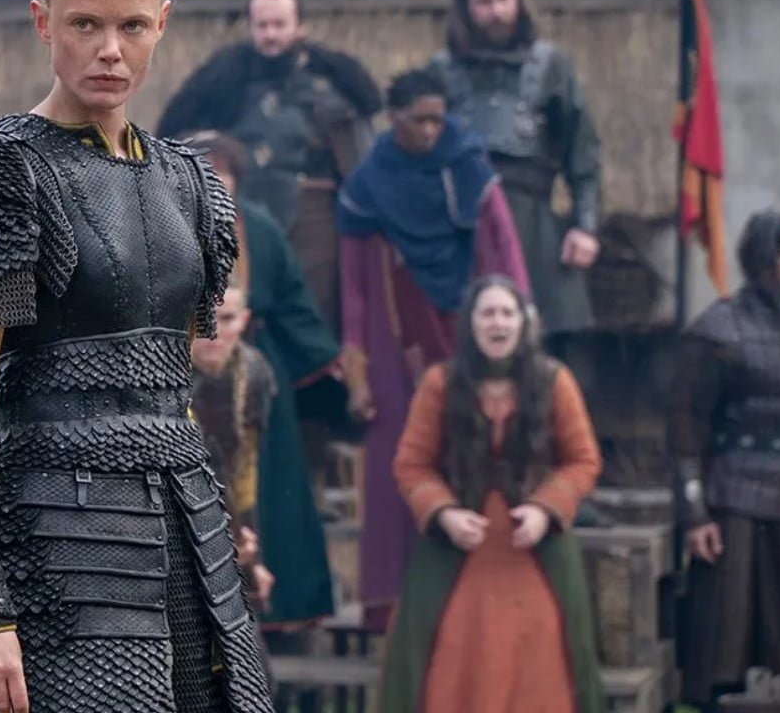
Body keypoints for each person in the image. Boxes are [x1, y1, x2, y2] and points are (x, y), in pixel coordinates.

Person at [0, 0, 273, 713]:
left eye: (131, 26)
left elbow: (168, 398)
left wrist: (223, 540)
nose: (110, 50)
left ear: (162, 24)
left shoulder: (191, 186)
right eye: (85, 25)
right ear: (43, 22)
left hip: (189, 555)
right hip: (51, 562)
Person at [338, 68, 530, 630]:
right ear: (393, 118)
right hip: (396, 335)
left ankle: (481, 602)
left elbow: (505, 252)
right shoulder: (369, 183)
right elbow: (354, 285)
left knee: (479, 449)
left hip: (472, 327)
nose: (428, 130)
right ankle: (400, 608)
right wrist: (358, 366)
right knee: (398, 457)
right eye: (417, 120)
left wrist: (517, 328)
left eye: (436, 120)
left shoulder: (468, 168)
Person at [380, 275, 605, 713]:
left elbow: (583, 460)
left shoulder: (554, 381)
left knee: (542, 658)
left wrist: (544, 509)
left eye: (507, 313)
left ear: (523, 323)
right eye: (487, 313)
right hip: (458, 550)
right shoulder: (440, 384)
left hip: (535, 550)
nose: (497, 323)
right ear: (471, 323)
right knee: (451, 658)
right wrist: (444, 512)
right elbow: (411, 464)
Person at [185, 131, 347, 627]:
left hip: (253, 372)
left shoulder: (259, 228)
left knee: (268, 487)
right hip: (180, 367)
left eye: (223, 177)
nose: (215, 186)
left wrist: (328, 360)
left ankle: (279, 602)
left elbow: (294, 299)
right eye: (204, 176)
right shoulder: (163, 226)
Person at [159, 0, 380, 328]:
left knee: (312, 308)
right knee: (244, 306)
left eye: (279, 25)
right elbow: (175, 131)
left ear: (300, 26)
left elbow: (361, 140)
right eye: (262, 26)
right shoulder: (223, 77)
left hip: (312, 214)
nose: (270, 35)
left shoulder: (330, 76)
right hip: (239, 210)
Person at [429, 0, 601, 340]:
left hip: (533, 219)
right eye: (484, 2)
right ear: (466, 8)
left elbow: (583, 152)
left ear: (519, 1)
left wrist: (585, 226)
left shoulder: (551, 66)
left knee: (550, 334)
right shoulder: (440, 71)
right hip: (461, 224)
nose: (496, 11)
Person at [674, 207, 780, 707]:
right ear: (761, 258)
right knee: (724, 640)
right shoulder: (719, 329)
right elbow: (686, 426)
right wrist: (694, 514)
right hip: (736, 498)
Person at [188, 285, 277, 610]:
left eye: (225, 318)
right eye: (201, 318)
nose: (212, 331)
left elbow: (243, 476)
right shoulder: (161, 376)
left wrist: (250, 554)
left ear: (243, 320)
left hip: (231, 520)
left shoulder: (254, 374)